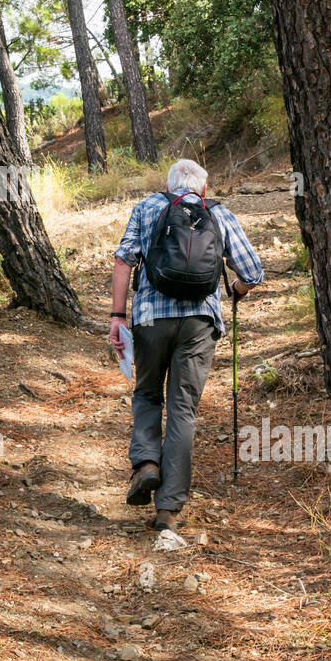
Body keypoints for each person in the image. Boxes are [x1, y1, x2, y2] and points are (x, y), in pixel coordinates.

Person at [110, 158, 263, 533]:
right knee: (183, 410)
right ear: (203, 189)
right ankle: (168, 511)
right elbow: (253, 272)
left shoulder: (148, 207)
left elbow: (124, 259)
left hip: (150, 320)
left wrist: (117, 316)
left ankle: (146, 464)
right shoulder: (218, 213)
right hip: (199, 324)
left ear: (169, 184)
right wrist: (235, 290)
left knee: (147, 393)